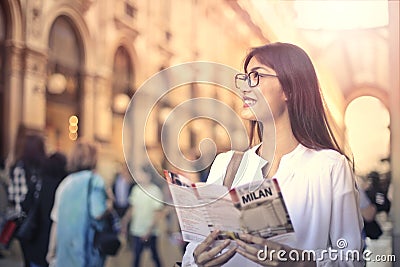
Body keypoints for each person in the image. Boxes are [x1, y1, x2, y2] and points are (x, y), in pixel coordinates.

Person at [182, 42, 363, 266]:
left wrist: (301, 262)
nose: (245, 88)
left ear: (290, 89)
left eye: (256, 76)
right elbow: (193, 250)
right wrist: (196, 260)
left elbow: (352, 258)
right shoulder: (225, 164)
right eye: (245, 78)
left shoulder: (329, 167)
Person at [46, 139, 111, 267]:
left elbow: (56, 222)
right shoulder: (95, 181)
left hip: (65, 254)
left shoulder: (65, 183)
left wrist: (51, 251)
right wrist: (109, 204)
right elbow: (98, 213)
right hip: (87, 252)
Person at [8, 133, 46, 267]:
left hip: (25, 222)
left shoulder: (19, 168)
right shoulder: (43, 169)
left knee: (28, 259)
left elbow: (16, 197)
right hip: (41, 220)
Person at [28, 152, 68, 267]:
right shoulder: (65, 187)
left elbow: (26, 204)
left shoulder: (38, 183)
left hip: (36, 239)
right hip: (57, 242)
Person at [122, 167, 164, 267]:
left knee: (154, 256)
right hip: (136, 230)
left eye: (141, 174)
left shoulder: (155, 191)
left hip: (150, 232)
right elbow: (132, 208)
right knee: (136, 257)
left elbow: (157, 213)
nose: (139, 177)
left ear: (148, 176)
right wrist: (125, 221)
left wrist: (148, 231)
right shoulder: (136, 189)